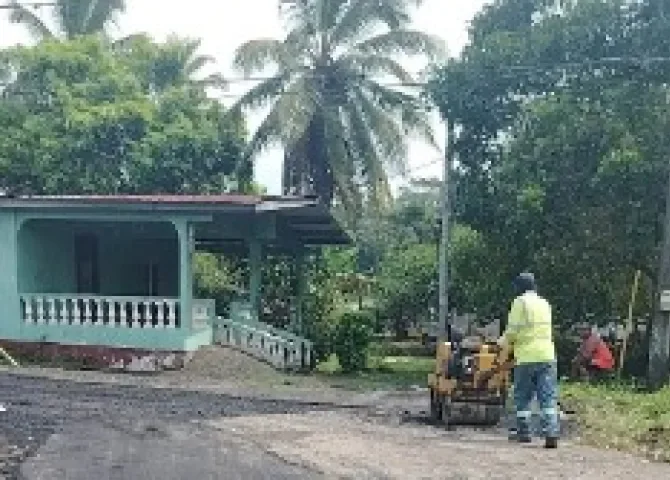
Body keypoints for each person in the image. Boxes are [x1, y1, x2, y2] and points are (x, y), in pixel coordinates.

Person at [498, 272, 560, 449]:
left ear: (519, 287)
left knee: (522, 397)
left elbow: (513, 331)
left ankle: (524, 433)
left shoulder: (520, 302)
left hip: (526, 357)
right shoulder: (544, 303)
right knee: (548, 397)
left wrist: (500, 344)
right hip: (547, 355)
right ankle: (551, 432)